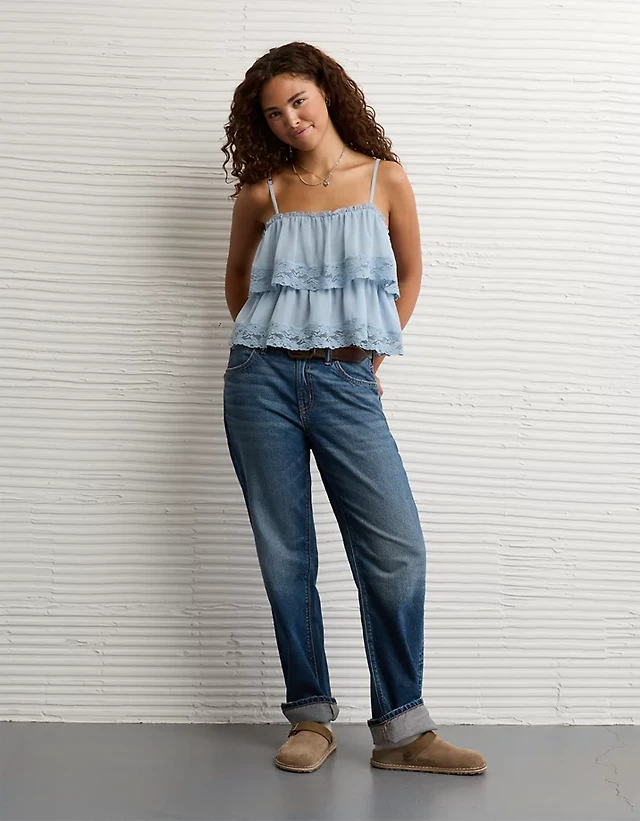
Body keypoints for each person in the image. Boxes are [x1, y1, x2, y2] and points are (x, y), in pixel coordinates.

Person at [221, 41, 486, 776]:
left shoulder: (383, 179)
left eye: (298, 100)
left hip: (347, 382)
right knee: (286, 554)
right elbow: (237, 278)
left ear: (327, 93)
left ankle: (403, 731)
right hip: (260, 381)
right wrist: (274, 340)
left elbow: (411, 272)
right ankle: (309, 717)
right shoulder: (263, 194)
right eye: (273, 113)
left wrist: (369, 356)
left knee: (397, 552)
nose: (290, 119)